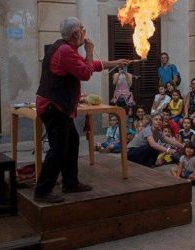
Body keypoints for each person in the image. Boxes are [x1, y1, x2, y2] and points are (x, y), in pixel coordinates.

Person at [33, 17, 129, 203]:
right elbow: (85, 73)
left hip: (58, 106)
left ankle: (70, 183)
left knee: (73, 142)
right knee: (59, 149)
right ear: (75, 34)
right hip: (53, 106)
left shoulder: (65, 48)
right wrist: (90, 51)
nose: (84, 33)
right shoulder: (65, 51)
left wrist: (114, 63)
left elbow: (88, 65)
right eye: (82, 30)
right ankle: (43, 190)